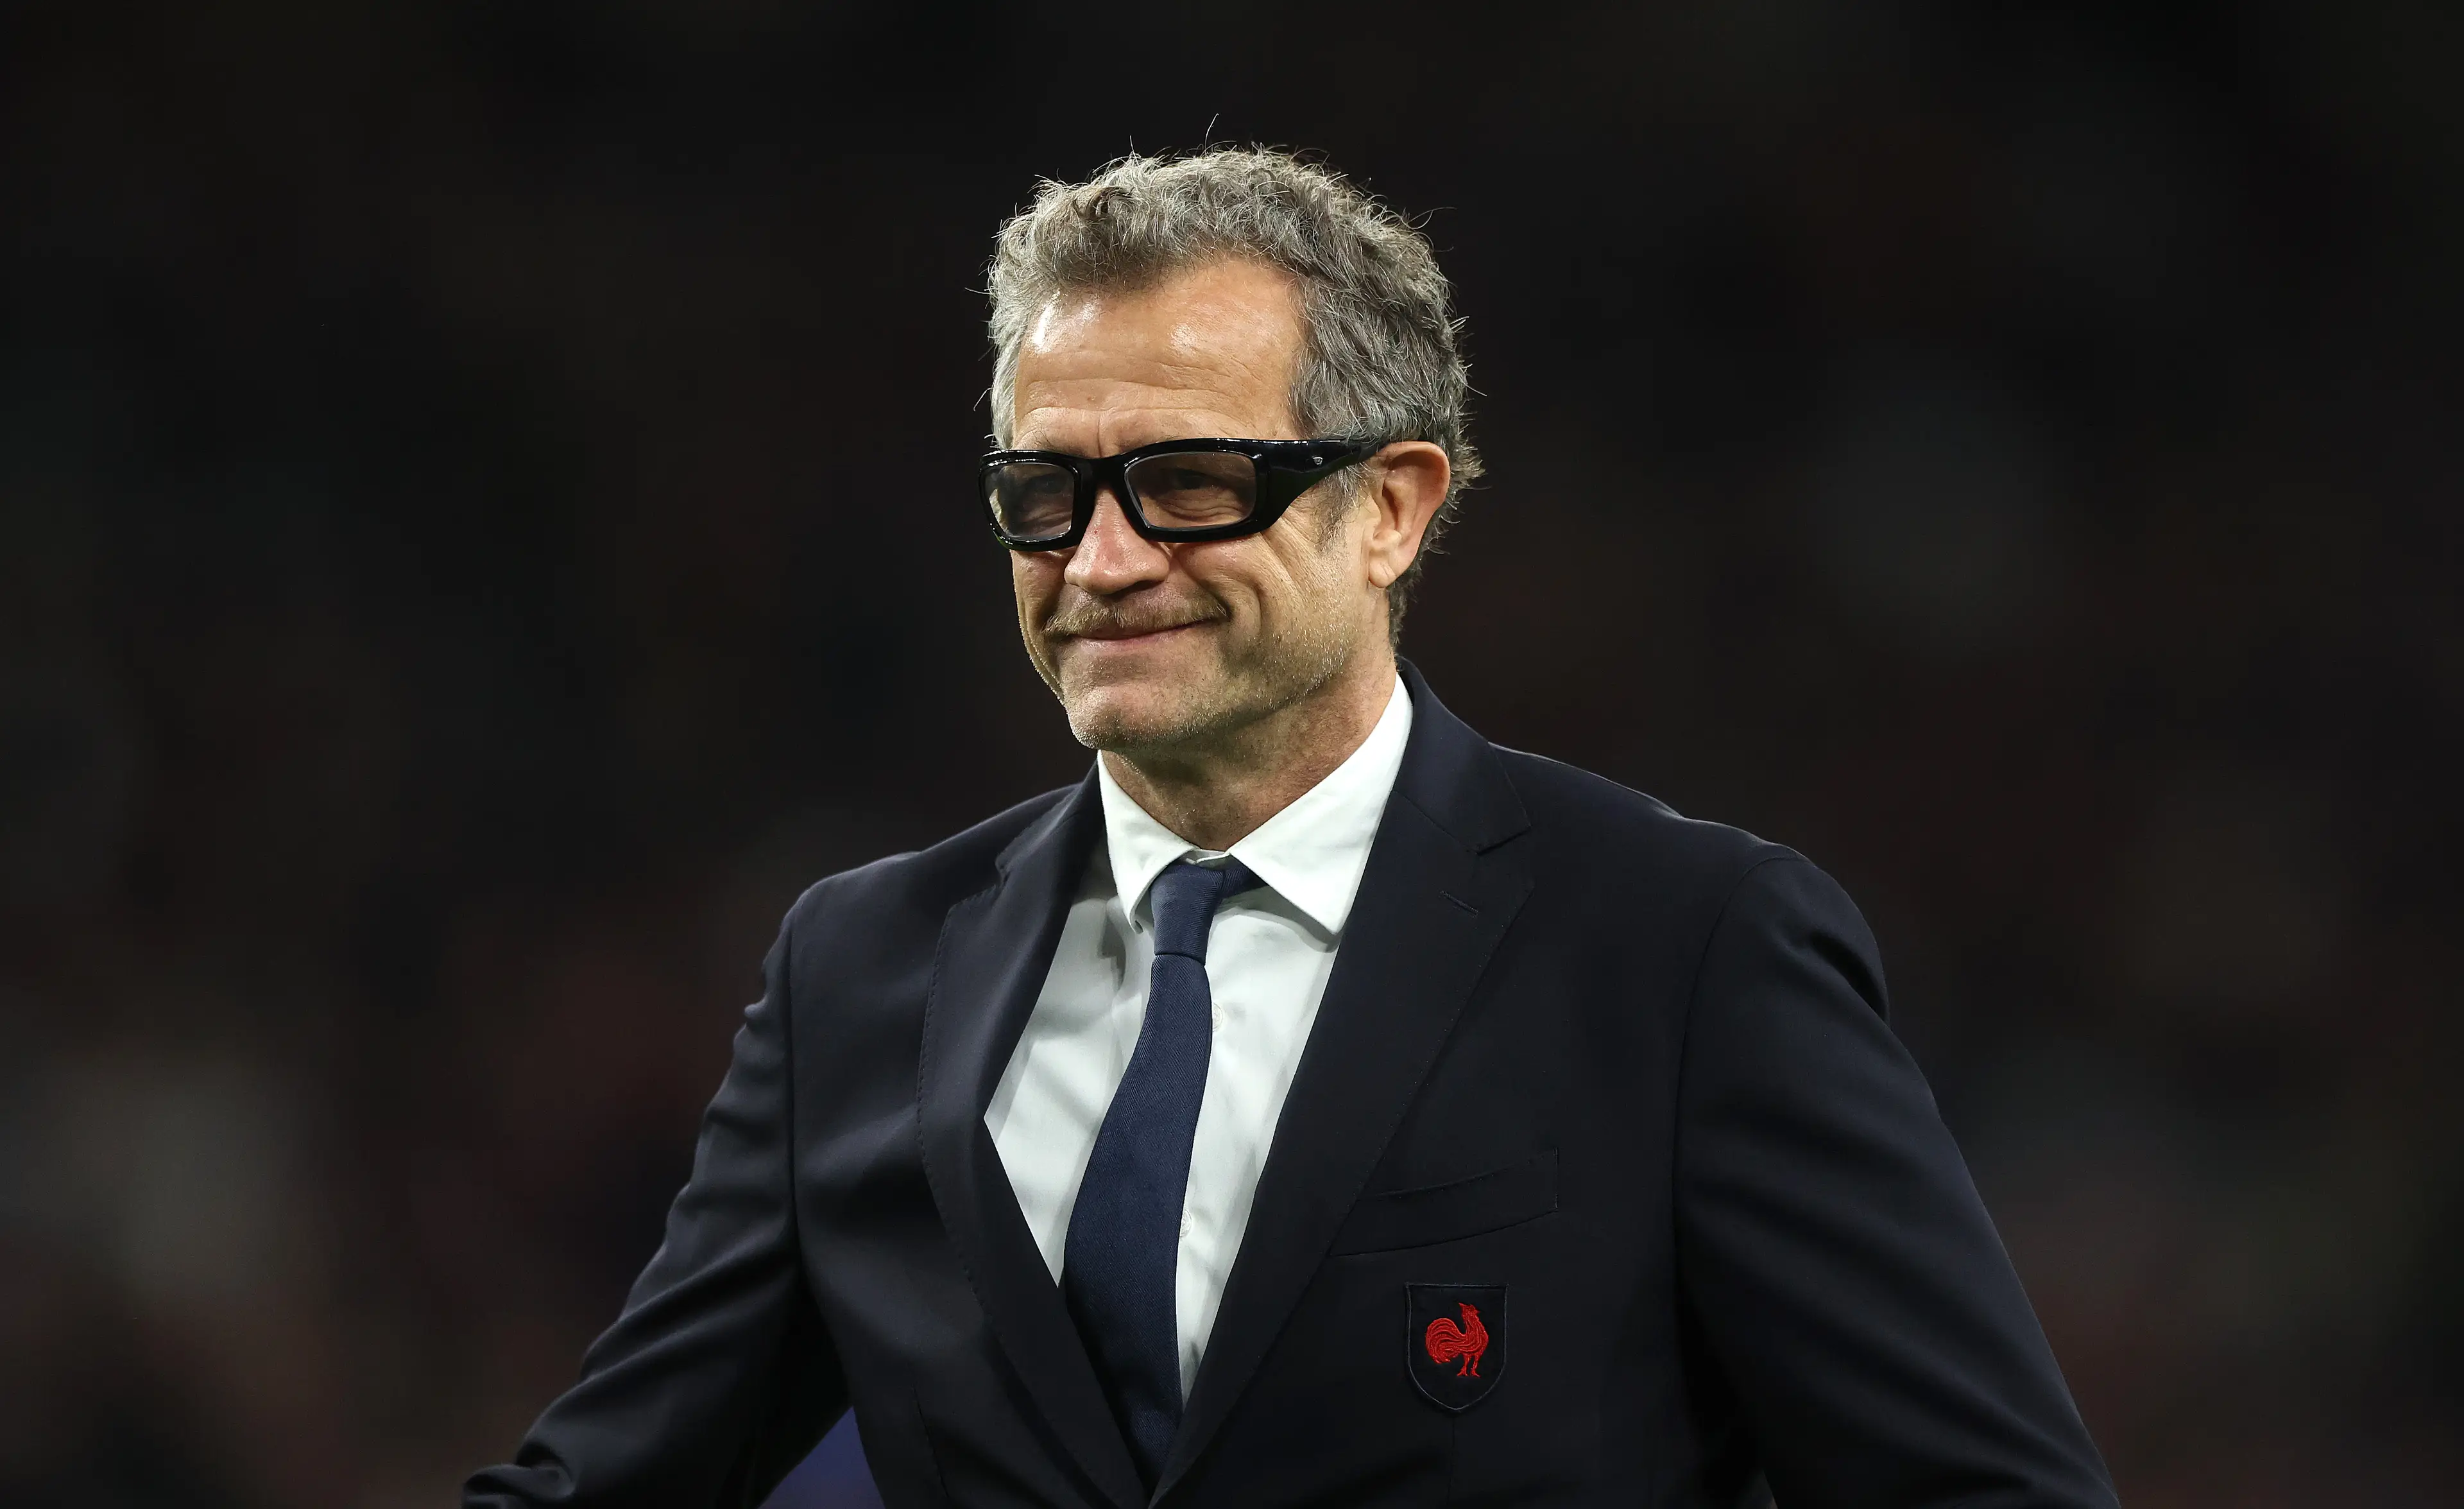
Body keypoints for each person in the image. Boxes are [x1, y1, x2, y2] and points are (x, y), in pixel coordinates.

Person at [466, 148, 2116, 1509]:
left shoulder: (1685, 952)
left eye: (1189, 483)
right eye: (1045, 494)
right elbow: (606, 1483)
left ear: (1391, 506)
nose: (1101, 560)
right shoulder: (862, 974)